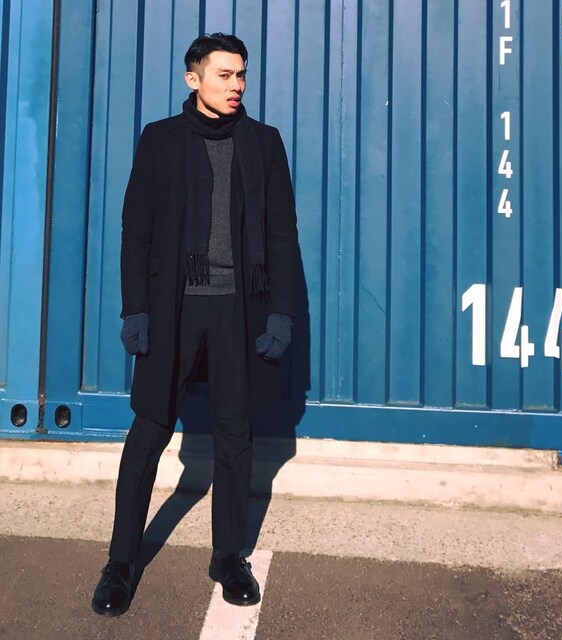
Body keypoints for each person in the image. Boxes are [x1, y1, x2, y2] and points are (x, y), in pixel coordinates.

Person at [91, 32, 300, 616]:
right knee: (149, 432)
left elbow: (282, 234)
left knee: (235, 434)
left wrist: (280, 312)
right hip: (175, 307)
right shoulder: (160, 140)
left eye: (242, 75)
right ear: (194, 78)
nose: (236, 86)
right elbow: (137, 230)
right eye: (224, 75)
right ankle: (120, 562)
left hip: (239, 307)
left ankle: (229, 556)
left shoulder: (263, 143)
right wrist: (136, 309)